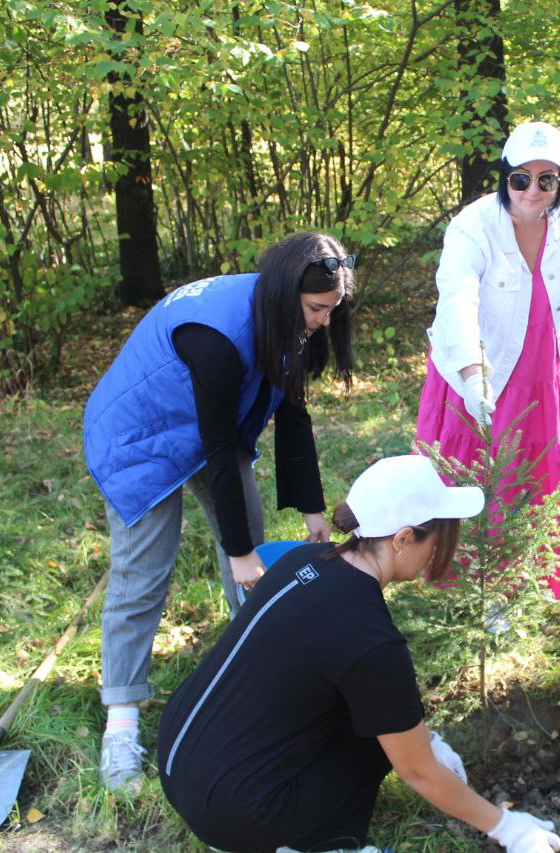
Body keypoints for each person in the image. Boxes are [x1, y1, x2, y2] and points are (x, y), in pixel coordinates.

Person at [157, 455, 560, 853]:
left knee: (376, 709)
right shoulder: (371, 640)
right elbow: (417, 771)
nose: (440, 552)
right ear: (403, 539)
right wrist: (508, 827)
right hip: (236, 814)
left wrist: (428, 737)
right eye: (436, 539)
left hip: (180, 760)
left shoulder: (303, 559)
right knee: (381, 734)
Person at [82, 232, 356, 791]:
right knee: (142, 575)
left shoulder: (287, 317)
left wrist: (310, 509)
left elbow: (292, 407)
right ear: (287, 294)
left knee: (250, 541)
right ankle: (122, 723)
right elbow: (214, 448)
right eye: (317, 310)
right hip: (139, 439)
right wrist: (238, 554)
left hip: (208, 426)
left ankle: (254, 668)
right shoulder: (214, 333)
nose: (325, 321)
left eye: (333, 310)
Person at [416, 120, 560, 600]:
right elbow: (458, 303)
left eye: (547, 180)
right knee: (470, 470)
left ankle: (525, 580)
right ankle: (468, 584)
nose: (532, 191)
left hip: (539, 365)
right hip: (480, 363)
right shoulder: (472, 226)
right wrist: (474, 378)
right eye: (521, 178)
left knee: (530, 473)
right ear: (505, 177)